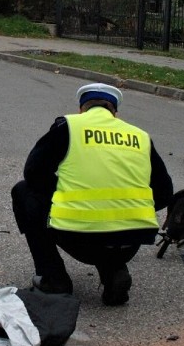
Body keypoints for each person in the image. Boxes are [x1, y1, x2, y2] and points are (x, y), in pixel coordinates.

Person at [12, 83, 173, 306]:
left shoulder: (68, 126)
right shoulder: (140, 136)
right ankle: (114, 269)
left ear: (82, 109)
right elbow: (165, 193)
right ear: (114, 112)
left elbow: (33, 173)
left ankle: (54, 278)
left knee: (22, 191)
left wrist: (62, 194)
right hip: (130, 242)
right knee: (110, 230)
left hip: (78, 237)